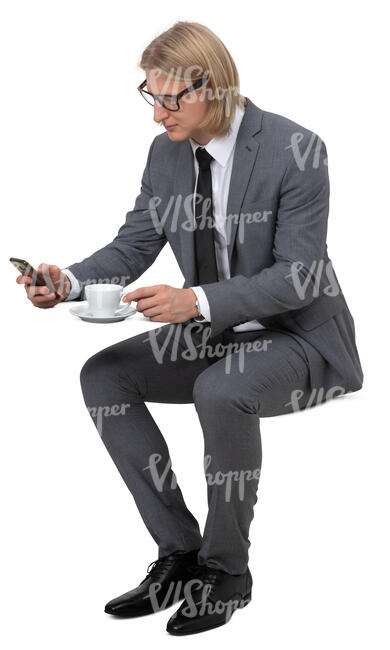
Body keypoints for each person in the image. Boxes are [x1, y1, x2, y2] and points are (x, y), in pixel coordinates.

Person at [16, 21, 364, 635]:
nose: (159, 115)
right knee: (104, 377)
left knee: (221, 389)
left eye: (173, 98)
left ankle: (228, 571)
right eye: (151, 96)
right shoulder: (166, 152)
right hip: (215, 331)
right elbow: (134, 243)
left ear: (217, 84)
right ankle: (180, 554)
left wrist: (196, 300)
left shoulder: (297, 148)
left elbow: (302, 276)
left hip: (298, 337)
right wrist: (67, 281)